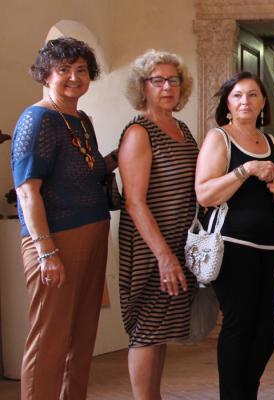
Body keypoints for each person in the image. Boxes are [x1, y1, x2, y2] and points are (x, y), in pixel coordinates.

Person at [12, 36, 113, 400]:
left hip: (94, 233)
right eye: (64, 70)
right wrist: (46, 250)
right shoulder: (37, 118)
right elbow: (27, 191)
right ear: (45, 74)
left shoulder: (81, 119)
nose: (74, 77)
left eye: (81, 70)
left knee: (82, 336)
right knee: (49, 339)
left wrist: (127, 150)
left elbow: (89, 169)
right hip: (55, 240)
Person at [193, 71, 274, 398]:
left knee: (270, 326)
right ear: (227, 102)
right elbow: (205, 194)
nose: (245, 101)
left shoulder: (271, 142)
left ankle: (244, 392)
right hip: (233, 247)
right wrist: (246, 169)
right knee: (239, 326)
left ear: (263, 102)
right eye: (238, 95)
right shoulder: (219, 137)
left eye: (253, 95)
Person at [118, 49, 197, 399]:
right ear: (143, 87)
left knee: (161, 330)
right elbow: (134, 202)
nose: (167, 86)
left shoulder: (181, 128)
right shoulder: (139, 131)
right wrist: (164, 255)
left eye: (173, 80)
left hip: (179, 241)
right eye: (158, 80)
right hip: (152, 247)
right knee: (146, 330)